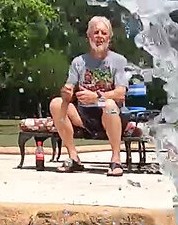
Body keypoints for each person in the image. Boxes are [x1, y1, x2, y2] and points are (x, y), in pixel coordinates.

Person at [49, 16, 132, 176]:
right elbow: (69, 88)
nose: (99, 36)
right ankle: (73, 158)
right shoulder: (78, 62)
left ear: (109, 37)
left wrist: (96, 97)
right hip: (84, 114)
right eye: (96, 32)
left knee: (109, 105)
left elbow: (121, 94)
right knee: (56, 103)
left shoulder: (118, 61)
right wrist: (66, 92)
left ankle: (116, 160)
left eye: (103, 33)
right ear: (89, 37)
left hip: (112, 115)